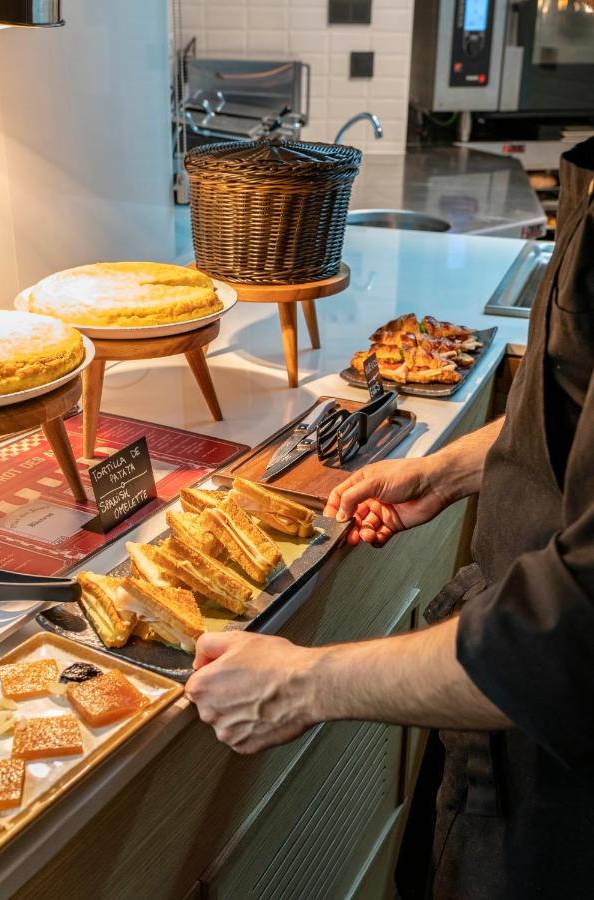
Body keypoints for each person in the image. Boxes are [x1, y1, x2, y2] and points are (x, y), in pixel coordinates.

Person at [185, 135, 594, 898]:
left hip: (558, 773)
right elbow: (570, 419)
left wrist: (300, 684)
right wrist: (450, 468)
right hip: (500, 705)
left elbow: (570, 637)